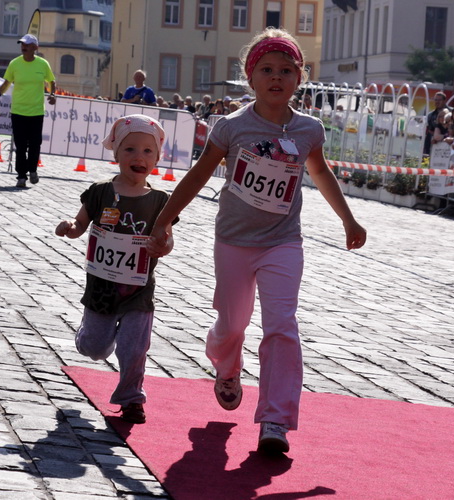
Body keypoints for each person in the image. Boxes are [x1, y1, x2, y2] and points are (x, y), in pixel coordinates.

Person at [148, 28, 366, 455]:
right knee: (232, 326)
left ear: (300, 78)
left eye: (286, 70)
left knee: (281, 325)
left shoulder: (309, 129)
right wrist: (163, 221)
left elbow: (320, 173)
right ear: (250, 78)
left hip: (283, 242)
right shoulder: (231, 126)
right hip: (233, 241)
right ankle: (227, 366)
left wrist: (348, 219)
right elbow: (198, 175)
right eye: (266, 69)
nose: (276, 77)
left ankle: (275, 420)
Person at [55, 115, 176, 424]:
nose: (139, 157)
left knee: (135, 349)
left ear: (157, 158)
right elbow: (80, 223)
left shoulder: (161, 201)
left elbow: (168, 239)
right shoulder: (100, 192)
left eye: (148, 151)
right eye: (130, 149)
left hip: (139, 290)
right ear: (116, 153)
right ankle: (88, 335)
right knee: (95, 349)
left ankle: (132, 398)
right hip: (102, 289)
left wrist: (162, 246)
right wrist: (70, 227)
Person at [0, 34, 56, 188]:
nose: (23, 47)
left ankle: (32, 170)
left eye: (27, 45)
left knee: (35, 144)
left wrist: (52, 94)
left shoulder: (42, 64)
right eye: (22, 44)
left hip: (36, 111)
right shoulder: (15, 64)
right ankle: (21, 176)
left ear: (35, 48)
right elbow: (6, 84)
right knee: (20, 145)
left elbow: (51, 81)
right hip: (18, 111)